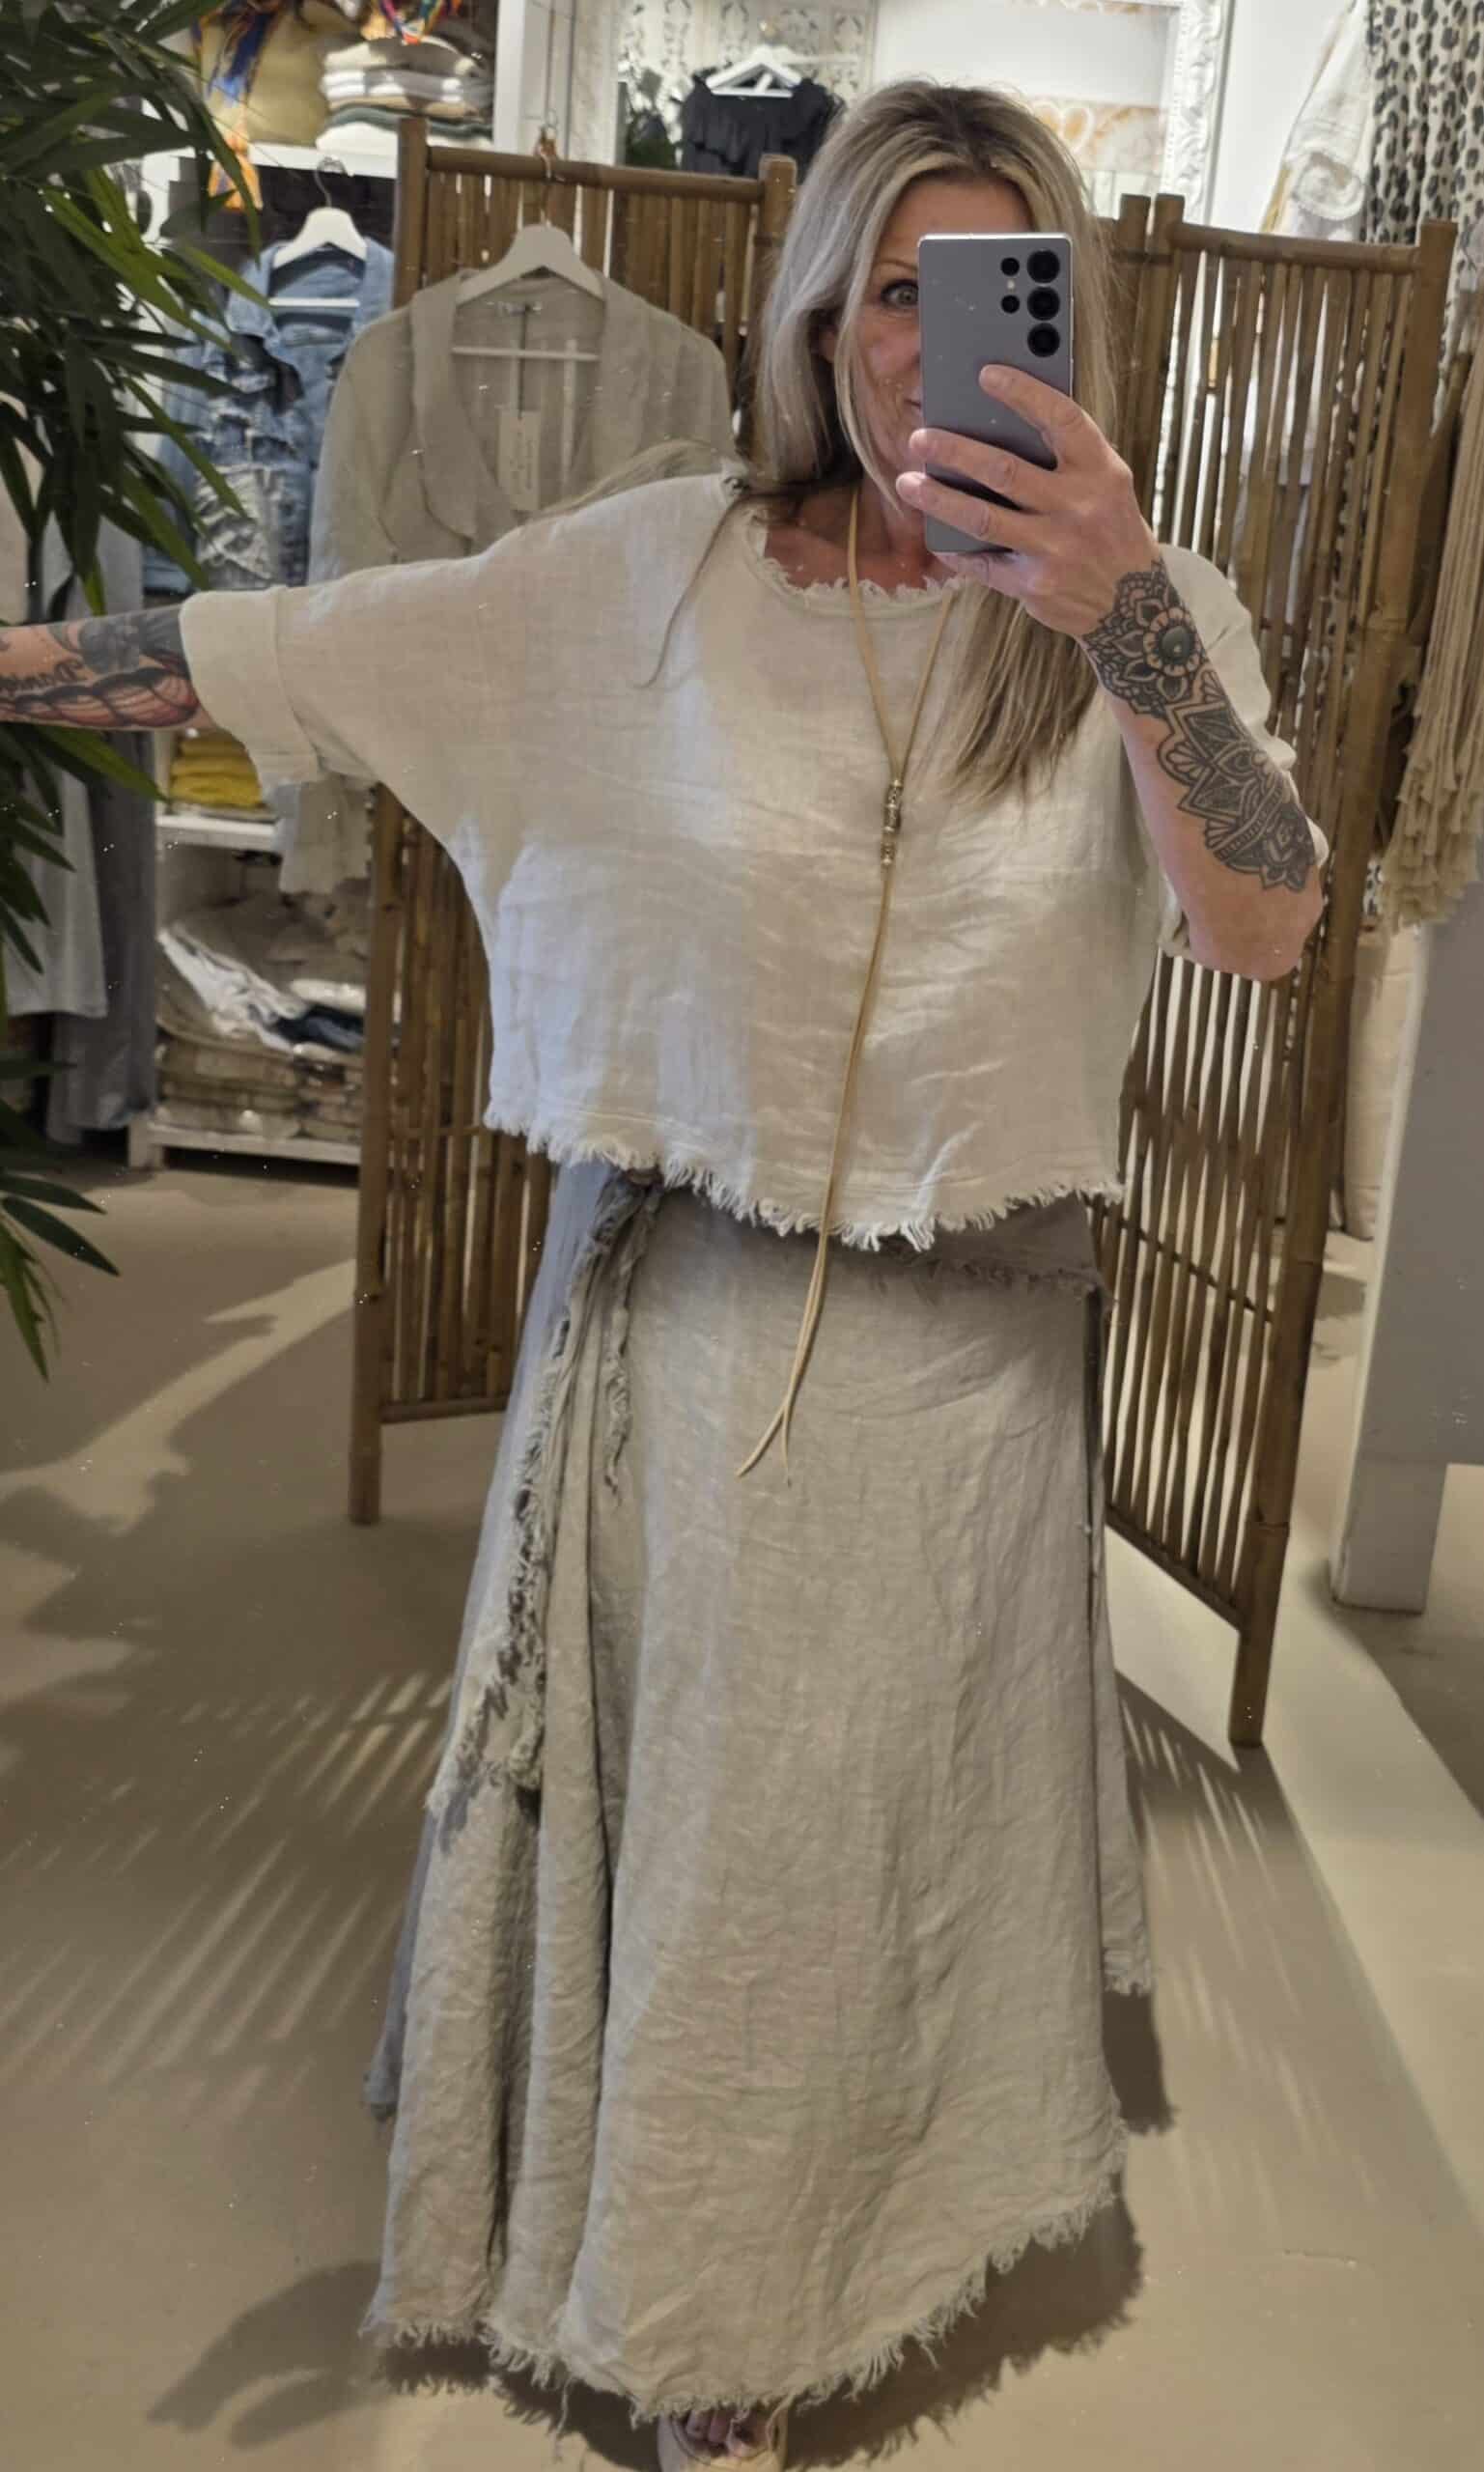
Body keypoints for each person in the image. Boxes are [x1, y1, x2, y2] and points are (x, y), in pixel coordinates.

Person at [0, 78, 1325, 2472]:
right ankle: (711, 2285)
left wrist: (1123, 617)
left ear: (1069, 320)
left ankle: (865, 2208)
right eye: (891, 288)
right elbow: (275, 644)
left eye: (988, 289)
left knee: (879, 1831)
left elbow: (1263, 918)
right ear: (814, 313)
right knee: (725, 1839)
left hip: (970, 1347)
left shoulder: (1151, 612)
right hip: (686, 1324)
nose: (929, 342)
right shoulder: (648, 580)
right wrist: (15, 664)